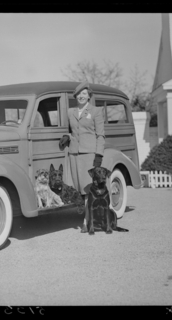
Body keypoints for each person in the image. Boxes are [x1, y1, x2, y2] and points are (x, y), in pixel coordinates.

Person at [59, 81, 107, 233]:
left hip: (89, 154)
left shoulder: (96, 111)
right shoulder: (70, 112)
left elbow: (100, 136)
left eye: (84, 93)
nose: (81, 96)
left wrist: (98, 155)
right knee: (79, 189)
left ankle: (87, 221)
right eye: (79, 94)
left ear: (89, 95)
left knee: (88, 189)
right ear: (75, 96)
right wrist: (66, 137)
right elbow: (71, 131)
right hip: (74, 154)